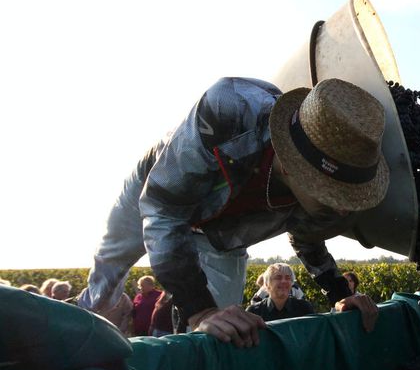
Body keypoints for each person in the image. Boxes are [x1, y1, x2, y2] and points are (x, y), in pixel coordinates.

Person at [78, 77, 387, 348]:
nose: (341, 207)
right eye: (329, 192)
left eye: (347, 196)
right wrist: (200, 309)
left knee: (225, 334)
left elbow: (308, 238)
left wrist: (338, 292)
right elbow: (163, 210)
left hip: (224, 233)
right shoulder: (230, 107)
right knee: (104, 288)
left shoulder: (338, 178)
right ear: (294, 169)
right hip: (158, 194)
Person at [246, 263, 314, 321]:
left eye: (288, 278)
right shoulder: (254, 312)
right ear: (267, 284)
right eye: (278, 278)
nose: (284, 281)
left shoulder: (305, 309)